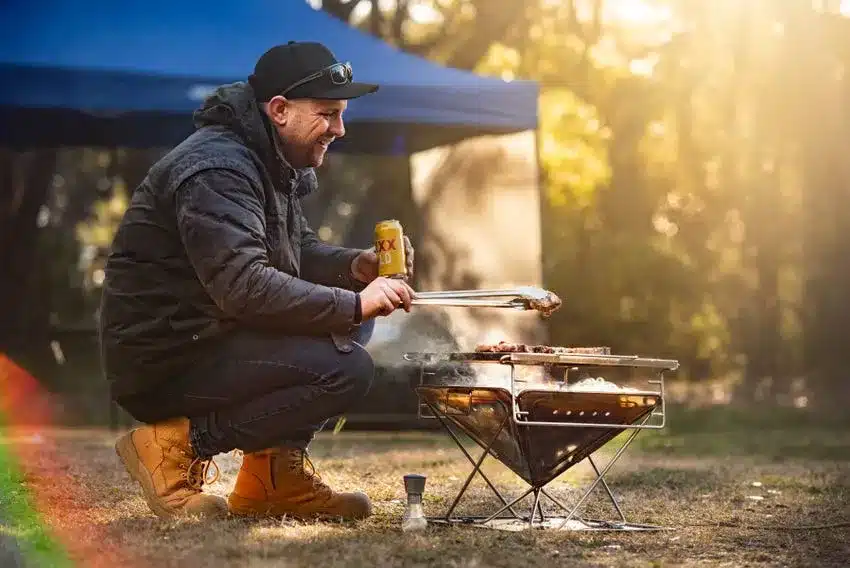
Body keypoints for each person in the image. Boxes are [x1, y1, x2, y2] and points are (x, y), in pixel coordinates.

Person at [98, 41, 416, 521]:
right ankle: (170, 448)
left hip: (211, 336)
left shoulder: (269, 159)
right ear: (280, 110)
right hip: (164, 359)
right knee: (346, 365)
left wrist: (356, 268)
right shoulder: (219, 169)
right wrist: (354, 305)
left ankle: (272, 478)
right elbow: (244, 285)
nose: (339, 129)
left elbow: (297, 253)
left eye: (341, 114)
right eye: (328, 114)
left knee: (351, 324)